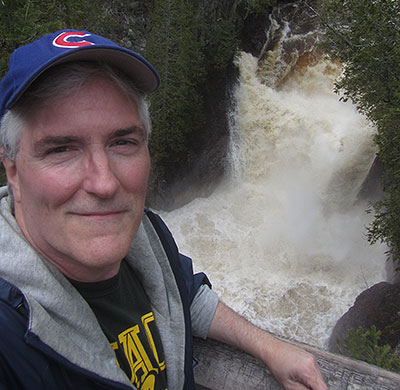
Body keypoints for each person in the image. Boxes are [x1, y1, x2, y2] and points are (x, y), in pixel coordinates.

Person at [0, 30, 327, 390]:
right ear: (13, 169)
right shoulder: (10, 332)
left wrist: (270, 347)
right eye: (62, 149)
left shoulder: (146, 237)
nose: (104, 183)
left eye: (123, 142)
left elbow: (183, 294)